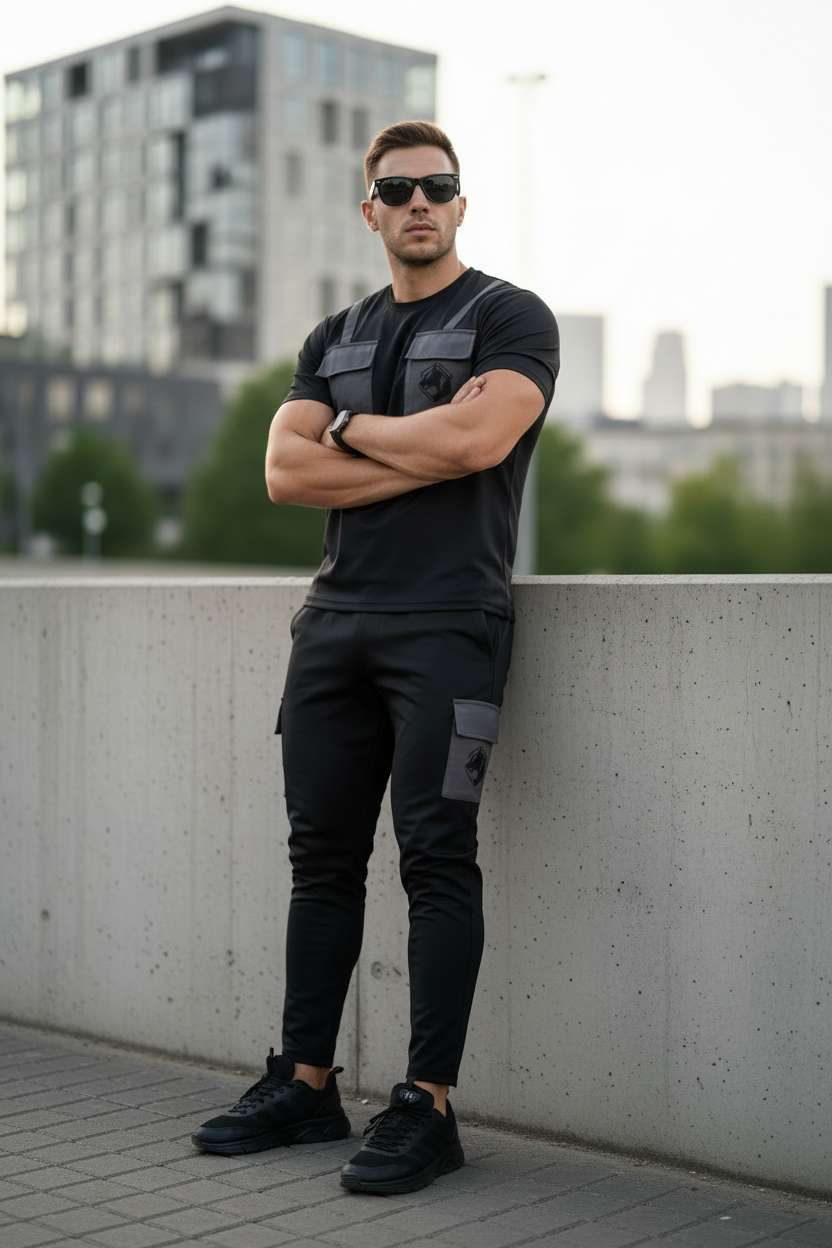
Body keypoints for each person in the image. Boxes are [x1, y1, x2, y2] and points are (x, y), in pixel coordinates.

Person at [193, 120, 559, 1195]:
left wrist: (346, 434)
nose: (417, 204)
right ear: (370, 212)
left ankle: (427, 1107)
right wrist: (410, 442)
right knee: (322, 858)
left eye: (436, 188)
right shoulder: (334, 334)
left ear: (458, 203)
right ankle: (306, 1083)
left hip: (450, 624)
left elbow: (477, 444)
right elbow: (281, 474)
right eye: (396, 190)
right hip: (335, 622)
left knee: (436, 857)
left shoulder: (507, 315)